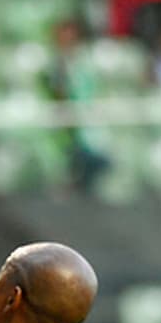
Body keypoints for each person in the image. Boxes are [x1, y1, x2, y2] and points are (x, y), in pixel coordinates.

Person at [42, 17, 111, 195]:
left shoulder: (87, 65)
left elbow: (92, 97)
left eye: (71, 38)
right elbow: (54, 96)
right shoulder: (51, 68)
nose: (68, 42)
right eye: (63, 38)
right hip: (62, 135)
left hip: (89, 134)